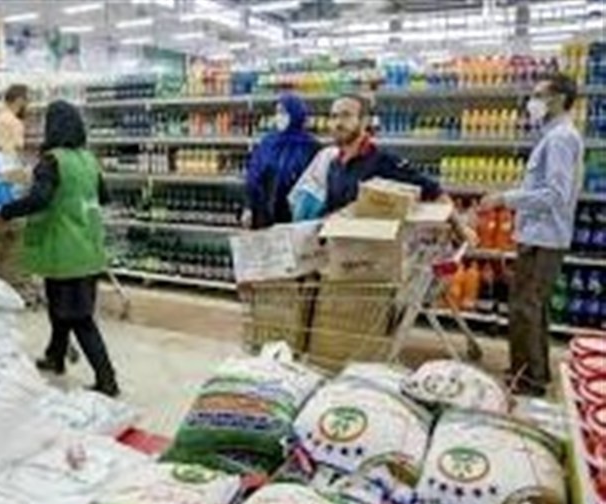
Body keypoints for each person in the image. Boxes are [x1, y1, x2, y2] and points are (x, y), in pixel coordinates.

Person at [0, 100, 119, 397]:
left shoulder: (52, 161)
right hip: (89, 247)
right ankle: (55, 356)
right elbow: (104, 197)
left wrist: (6, 211)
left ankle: (107, 379)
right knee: (60, 309)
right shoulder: (88, 159)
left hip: (64, 250)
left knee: (79, 318)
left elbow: (40, 199)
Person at [480, 73, 583, 397]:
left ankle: (530, 381)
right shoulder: (554, 136)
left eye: (539, 95)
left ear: (559, 99)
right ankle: (528, 370)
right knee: (531, 307)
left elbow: (554, 195)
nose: (532, 102)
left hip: (544, 237)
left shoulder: (560, 139)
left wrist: (505, 199)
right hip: (539, 235)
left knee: (527, 307)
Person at [289, 93, 475, 241]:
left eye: (346, 116)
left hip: (376, 256)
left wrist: (461, 229)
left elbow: (434, 191)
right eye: (334, 116)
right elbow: (331, 211)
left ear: (363, 122)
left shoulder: (383, 161)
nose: (338, 123)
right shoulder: (334, 165)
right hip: (343, 254)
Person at [242, 93, 321, 229]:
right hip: (263, 215)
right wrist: (248, 207)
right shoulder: (267, 143)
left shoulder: (310, 146)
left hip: (294, 217)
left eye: (284, 112)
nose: (279, 117)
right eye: (277, 112)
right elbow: (253, 177)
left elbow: (315, 184)